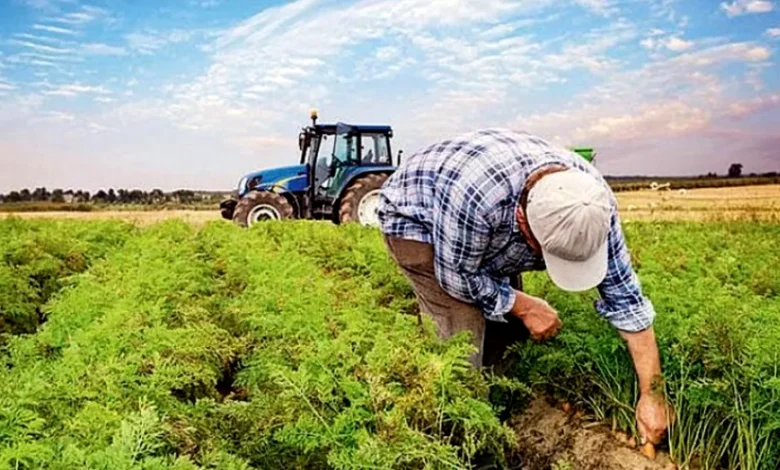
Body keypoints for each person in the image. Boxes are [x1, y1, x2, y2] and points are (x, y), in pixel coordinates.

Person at [376, 127, 670, 448]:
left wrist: (652, 395)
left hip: (484, 222)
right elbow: (457, 278)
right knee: (462, 337)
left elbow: (627, 301)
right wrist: (525, 305)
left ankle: (505, 411)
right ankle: (460, 439)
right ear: (523, 224)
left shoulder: (592, 204)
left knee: (506, 331)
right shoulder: (476, 199)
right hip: (418, 221)